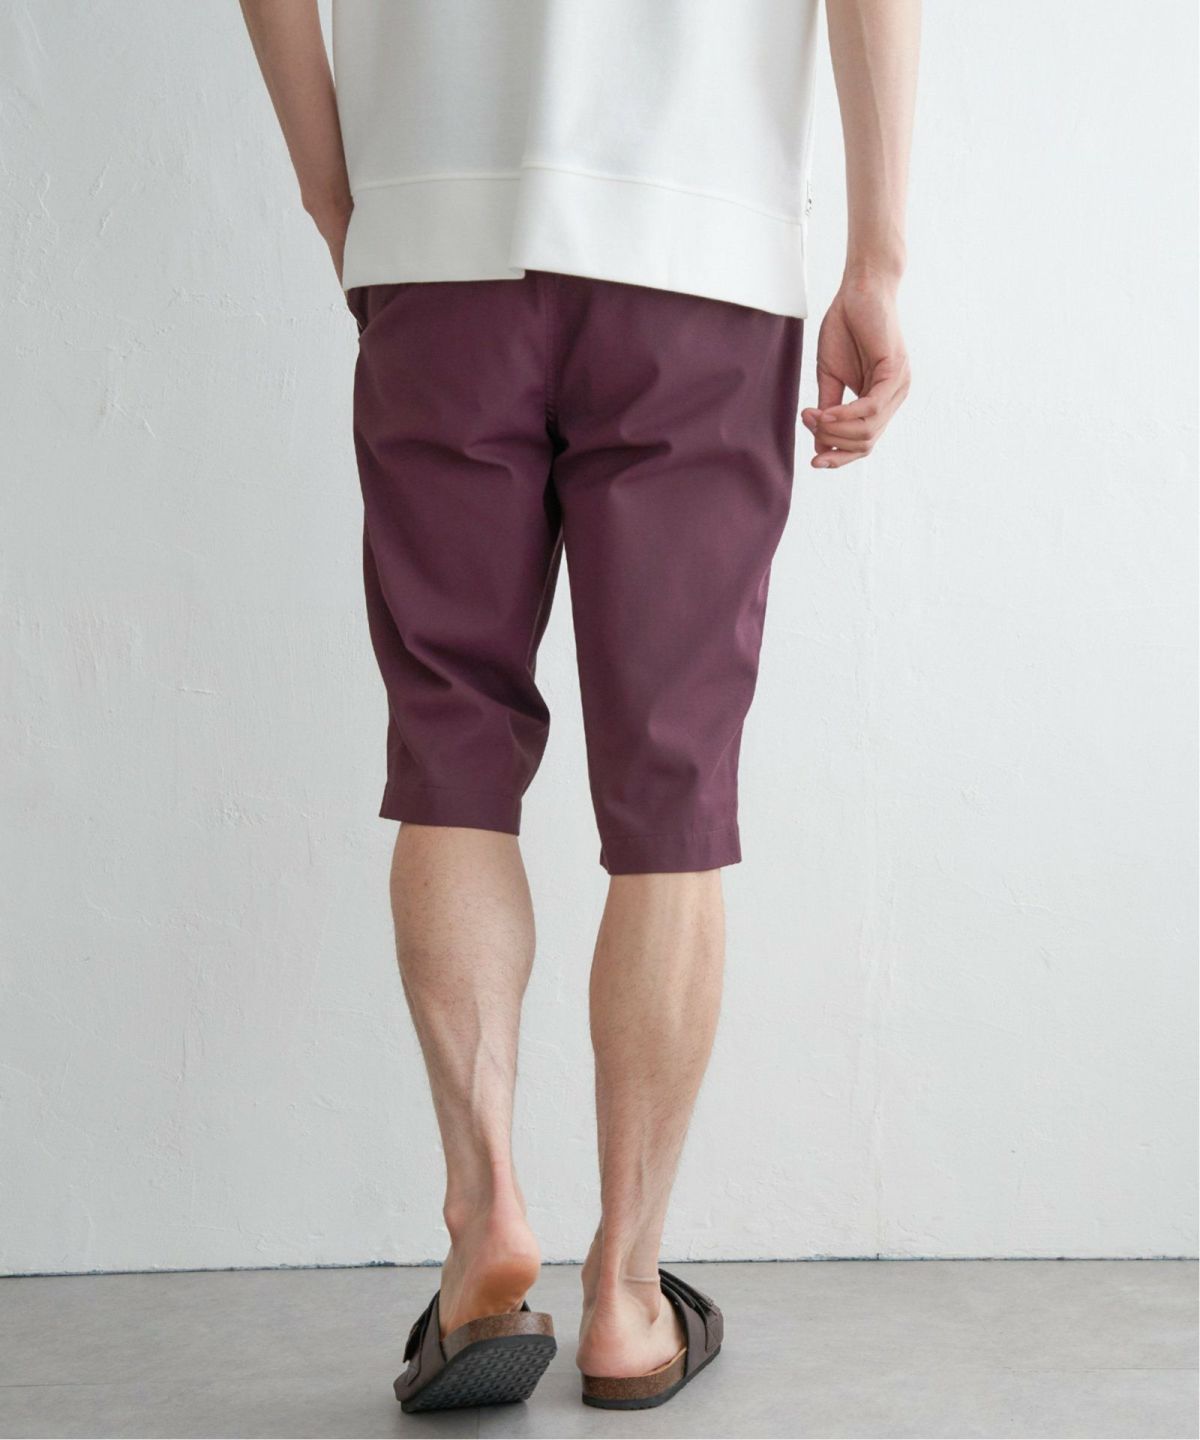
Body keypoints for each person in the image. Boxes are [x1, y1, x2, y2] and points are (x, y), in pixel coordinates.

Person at [239, 0, 918, 1414]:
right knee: (673, 794)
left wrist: (338, 193)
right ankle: (625, 1294)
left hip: (439, 235)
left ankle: (486, 1213)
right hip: (698, 243)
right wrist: (877, 257)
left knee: (452, 749)